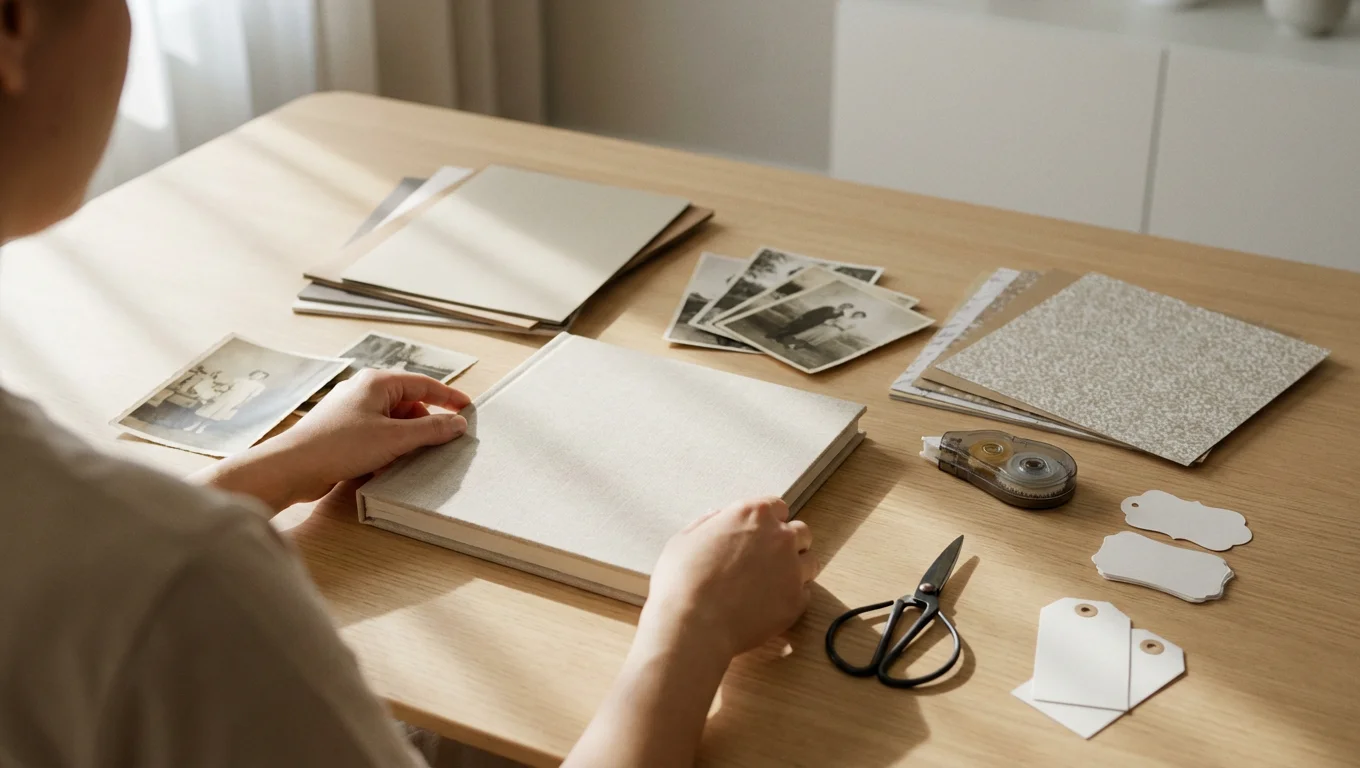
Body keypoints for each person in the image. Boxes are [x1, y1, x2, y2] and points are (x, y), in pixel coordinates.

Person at [0, 2, 816, 767]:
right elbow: (131, 576)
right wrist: (693, 629)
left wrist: (272, 469)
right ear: (17, 24)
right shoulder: (188, 583)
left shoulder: (127, 552)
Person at [767, 301, 854, 347]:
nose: (844, 306)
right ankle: (771, 335)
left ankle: (778, 339)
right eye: (844, 304)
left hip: (815, 324)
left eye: (847, 306)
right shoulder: (829, 307)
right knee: (790, 327)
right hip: (807, 319)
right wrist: (803, 316)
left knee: (796, 331)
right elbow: (814, 311)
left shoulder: (840, 315)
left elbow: (833, 322)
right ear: (842, 304)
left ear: (847, 309)